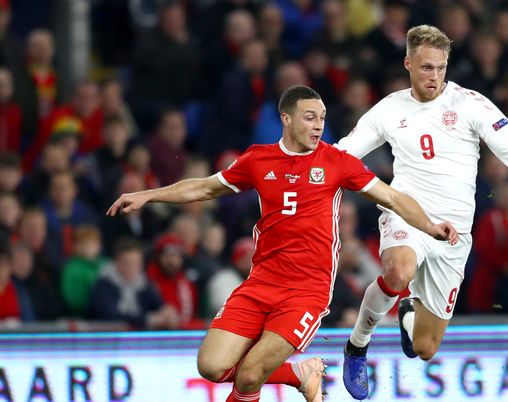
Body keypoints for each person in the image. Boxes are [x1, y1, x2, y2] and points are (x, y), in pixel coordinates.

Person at [107, 85, 458, 402]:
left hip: (306, 291)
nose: (319, 125)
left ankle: (290, 377)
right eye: (309, 117)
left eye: (322, 118)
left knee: (249, 376)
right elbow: (203, 187)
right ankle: (300, 374)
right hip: (260, 283)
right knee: (211, 367)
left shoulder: (337, 163)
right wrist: (147, 195)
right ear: (286, 119)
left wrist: (429, 225)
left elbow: (393, 198)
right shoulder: (259, 160)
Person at [336, 25, 508, 400]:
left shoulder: (469, 104)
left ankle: (408, 314)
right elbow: (344, 154)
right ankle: (357, 346)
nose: (434, 76)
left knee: (425, 348)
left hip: (454, 234)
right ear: (408, 63)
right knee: (398, 269)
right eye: (425, 68)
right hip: (407, 213)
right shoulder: (390, 109)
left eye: (440, 67)